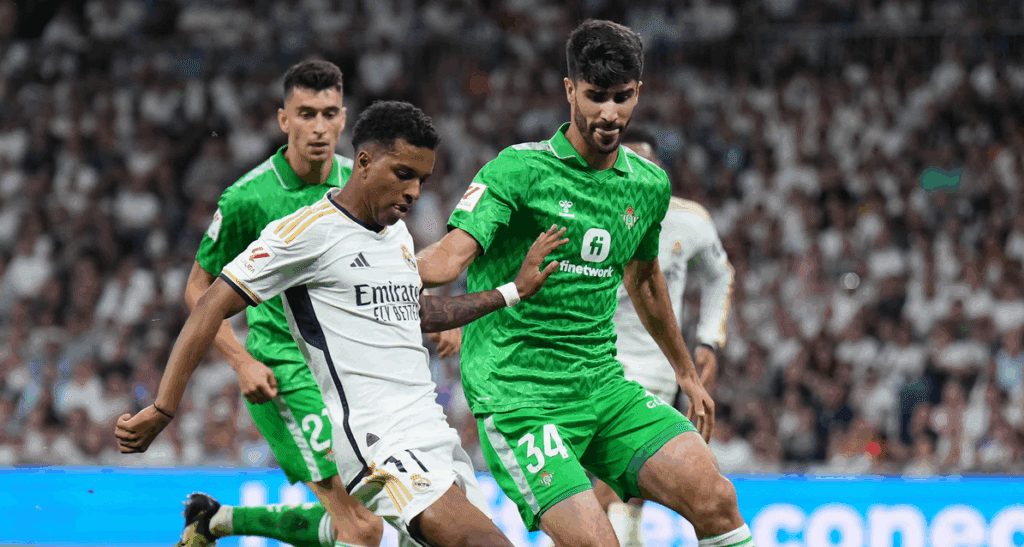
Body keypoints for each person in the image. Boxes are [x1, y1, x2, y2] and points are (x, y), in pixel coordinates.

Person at [116, 100, 569, 547]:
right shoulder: (304, 233)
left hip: (432, 432)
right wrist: (164, 408)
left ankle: (217, 521)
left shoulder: (395, 231)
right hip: (377, 442)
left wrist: (512, 291)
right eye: (404, 174)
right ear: (365, 162)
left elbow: (418, 313)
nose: (414, 191)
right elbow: (209, 305)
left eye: (422, 180)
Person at [415, 20, 756, 547]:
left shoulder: (648, 185)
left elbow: (645, 279)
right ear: (570, 89)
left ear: (638, 91)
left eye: (622, 97)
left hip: (602, 385)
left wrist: (686, 373)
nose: (610, 114)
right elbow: (448, 257)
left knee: (717, 499)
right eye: (596, 96)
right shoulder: (519, 170)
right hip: (520, 396)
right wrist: (385, 269)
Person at [176, 59, 458, 547]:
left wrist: (430, 308)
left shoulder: (366, 177)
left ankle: (217, 520)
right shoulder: (247, 198)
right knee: (361, 527)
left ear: (344, 119)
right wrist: (241, 361)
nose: (319, 127)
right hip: (287, 371)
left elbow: (393, 258)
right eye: (306, 114)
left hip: (355, 378)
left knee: (372, 520)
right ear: (283, 119)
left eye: (329, 114)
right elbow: (198, 289)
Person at [594, 127, 735, 547]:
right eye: (624, 166)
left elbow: (720, 275)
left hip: (655, 368)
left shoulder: (690, 220)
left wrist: (709, 340)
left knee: (622, 481)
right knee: (614, 483)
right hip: (591, 360)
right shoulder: (589, 213)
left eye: (645, 165)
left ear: (659, 170)